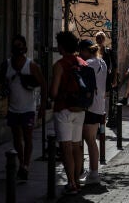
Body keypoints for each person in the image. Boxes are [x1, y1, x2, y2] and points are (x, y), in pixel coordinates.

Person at [2, 35, 46, 181]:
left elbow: (43, 85)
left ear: (25, 49)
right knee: (16, 138)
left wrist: (42, 107)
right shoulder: (6, 65)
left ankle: (25, 165)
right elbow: (2, 83)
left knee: (27, 137)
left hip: (28, 108)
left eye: (20, 46)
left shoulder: (32, 66)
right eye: (15, 46)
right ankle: (21, 163)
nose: (18, 49)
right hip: (13, 108)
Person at [50, 31, 87, 195]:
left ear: (62, 46)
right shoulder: (83, 63)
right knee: (77, 146)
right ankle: (77, 181)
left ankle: (71, 182)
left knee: (66, 148)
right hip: (80, 109)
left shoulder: (60, 65)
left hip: (64, 109)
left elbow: (54, 92)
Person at [77, 39, 108, 185]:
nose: (79, 55)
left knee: (89, 140)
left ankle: (93, 173)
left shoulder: (88, 64)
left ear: (85, 51)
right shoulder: (102, 62)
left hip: (89, 106)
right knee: (91, 140)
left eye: (80, 52)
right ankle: (93, 172)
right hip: (99, 106)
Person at [95, 32, 116, 127]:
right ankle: (99, 120)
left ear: (104, 40)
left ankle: (103, 119)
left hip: (106, 78)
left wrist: (114, 78)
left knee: (104, 98)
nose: (99, 40)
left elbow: (114, 66)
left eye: (100, 38)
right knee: (98, 98)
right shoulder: (93, 51)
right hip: (96, 78)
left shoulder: (108, 51)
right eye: (97, 38)